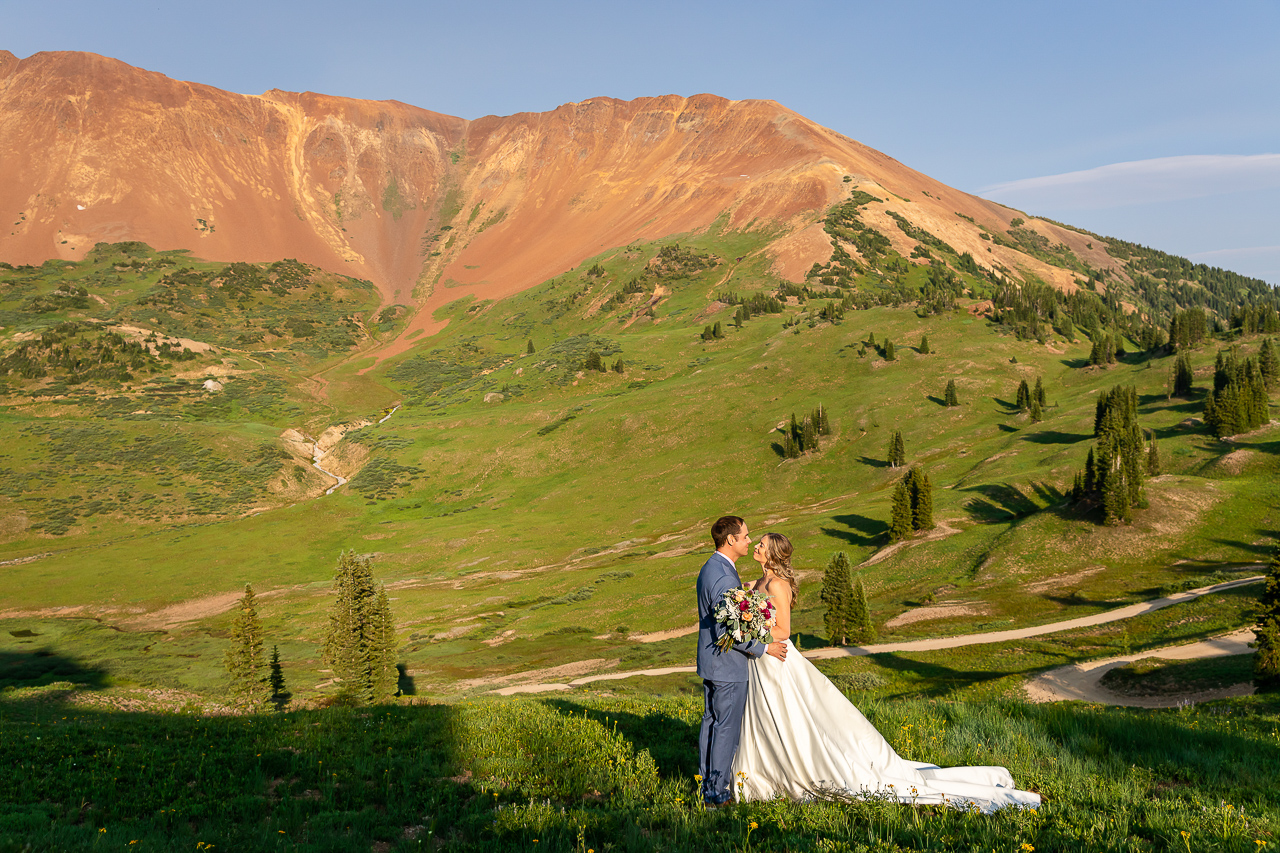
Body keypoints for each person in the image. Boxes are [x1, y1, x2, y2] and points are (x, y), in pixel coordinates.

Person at [729, 532, 1041, 812]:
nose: (755, 546)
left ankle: (793, 770)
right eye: (756, 543)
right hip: (761, 662)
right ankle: (763, 771)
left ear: (772, 554)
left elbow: (783, 630)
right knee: (762, 719)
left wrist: (754, 629)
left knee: (788, 718)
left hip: (776, 659)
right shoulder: (757, 583)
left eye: (761, 545)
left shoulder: (778, 585)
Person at [696, 515, 788, 807]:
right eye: (746, 536)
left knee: (711, 724)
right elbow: (729, 628)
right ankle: (718, 794)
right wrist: (763, 649)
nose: (749, 541)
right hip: (727, 665)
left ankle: (706, 787)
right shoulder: (724, 575)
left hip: (713, 662)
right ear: (731, 540)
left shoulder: (714, 567)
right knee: (725, 729)